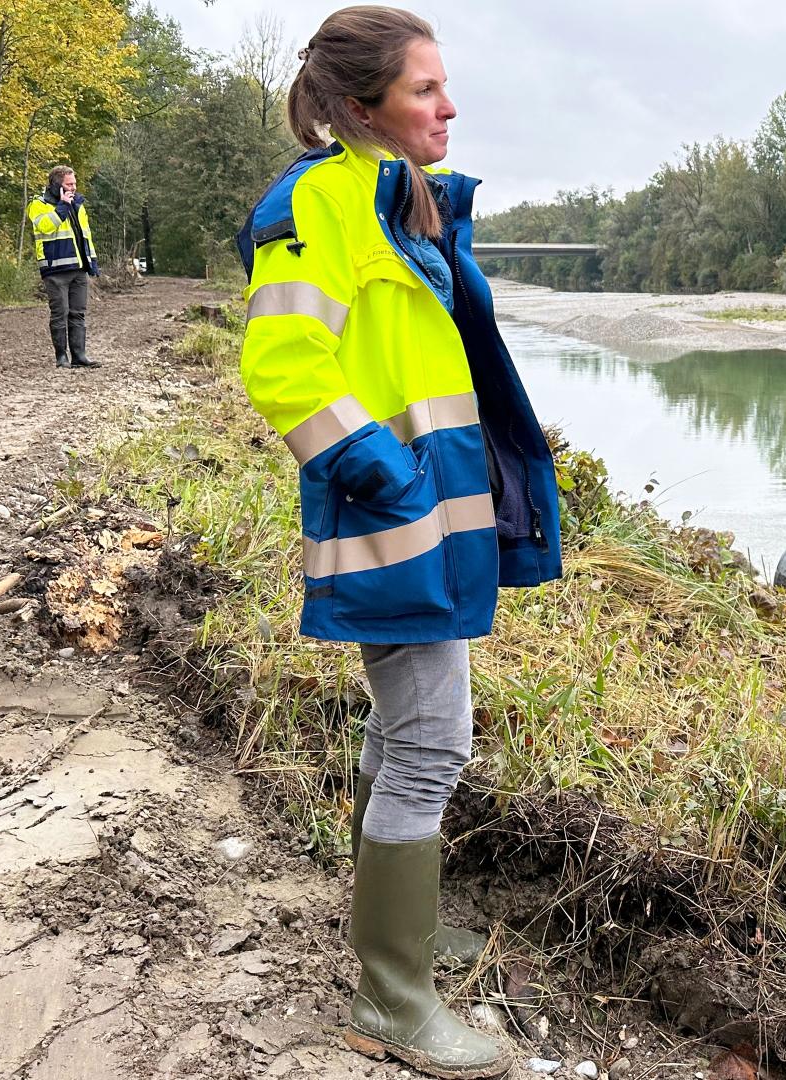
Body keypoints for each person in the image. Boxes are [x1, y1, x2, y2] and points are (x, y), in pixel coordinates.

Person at [234, 7, 561, 1077]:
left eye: (444, 85)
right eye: (425, 88)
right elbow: (283, 364)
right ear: (360, 104)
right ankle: (393, 999)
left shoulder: (405, 201)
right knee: (432, 740)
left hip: (439, 511)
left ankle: (396, 930)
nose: (449, 106)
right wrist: (385, 475)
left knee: (405, 725)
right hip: (398, 513)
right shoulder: (318, 205)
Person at [26, 165, 101, 368]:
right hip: (55, 269)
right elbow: (44, 226)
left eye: (74, 183)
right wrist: (62, 208)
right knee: (60, 313)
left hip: (79, 267)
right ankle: (61, 357)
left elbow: (85, 235)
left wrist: (92, 261)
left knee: (78, 313)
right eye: (69, 184)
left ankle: (79, 356)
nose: (74, 187)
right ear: (57, 185)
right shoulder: (38, 204)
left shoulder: (78, 204)